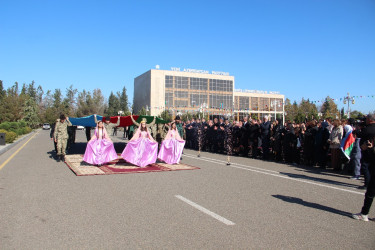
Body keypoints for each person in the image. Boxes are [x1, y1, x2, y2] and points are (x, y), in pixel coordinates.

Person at [352, 113, 375, 221]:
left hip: (371, 160)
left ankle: (364, 213)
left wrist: (369, 148)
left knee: (371, 190)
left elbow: (363, 143)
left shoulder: (369, 130)